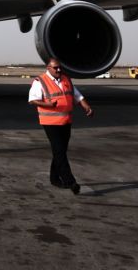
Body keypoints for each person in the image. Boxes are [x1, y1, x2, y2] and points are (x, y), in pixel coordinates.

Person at [28, 57, 93, 194]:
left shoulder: (66, 79)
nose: (58, 70)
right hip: (50, 122)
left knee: (60, 152)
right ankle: (70, 182)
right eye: (55, 68)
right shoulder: (40, 81)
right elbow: (33, 100)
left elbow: (77, 95)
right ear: (48, 68)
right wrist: (48, 105)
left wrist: (86, 106)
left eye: (59, 67)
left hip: (66, 121)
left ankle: (54, 178)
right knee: (59, 151)